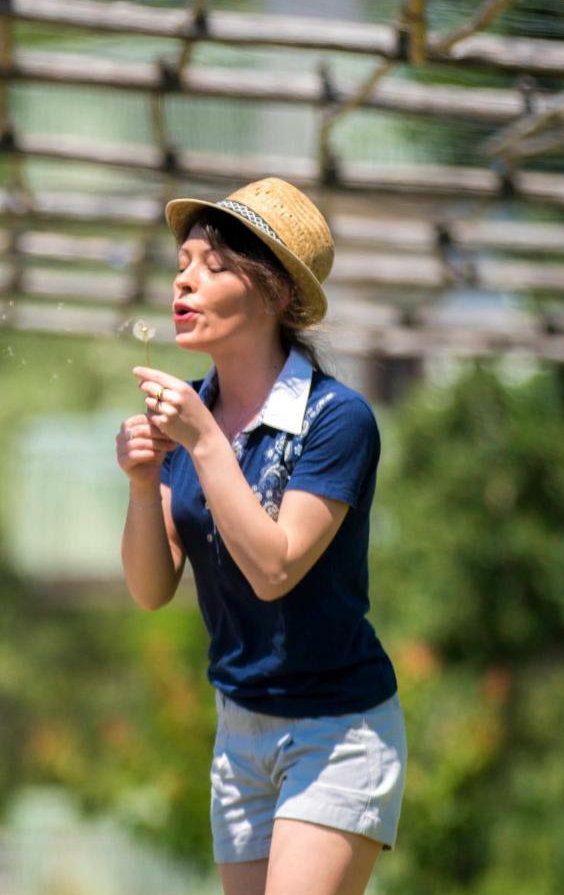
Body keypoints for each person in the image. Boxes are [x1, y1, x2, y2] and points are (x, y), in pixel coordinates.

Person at [115, 178, 406, 895]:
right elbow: (152, 590)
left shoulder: (337, 420)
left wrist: (202, 440)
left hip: (336, 731)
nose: (185, 278)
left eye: (213, 265)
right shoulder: (192, 419)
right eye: (182, 262)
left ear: (275, 294)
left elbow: (275, 568)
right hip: (238, 732)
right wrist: (141, 483)